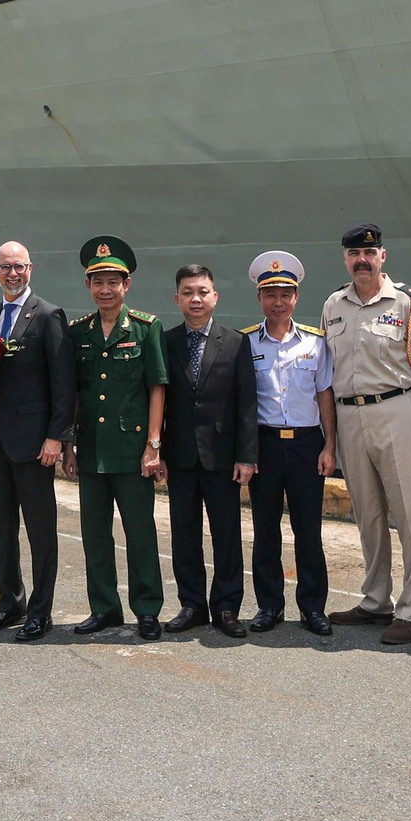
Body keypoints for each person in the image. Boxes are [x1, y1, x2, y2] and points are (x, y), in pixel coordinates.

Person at [322, 224, 411, 645]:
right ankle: (376, 600)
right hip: (349, 416)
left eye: (369, 253)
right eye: (354, 252)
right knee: (367, 513)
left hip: (396, 411)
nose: (362, 260)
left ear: (383, 257)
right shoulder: (333, 304)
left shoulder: (409, 302)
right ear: (345, 258)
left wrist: (399, 401)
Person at [0, 240, 77, 643]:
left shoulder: (48, 316)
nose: (12, 274)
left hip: (34, 444)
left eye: (19, 267)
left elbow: (63, 384)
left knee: (40, 529)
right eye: (5, 267)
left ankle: (40, 611)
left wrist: (56, 437)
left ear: (31, 269)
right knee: (1, 527)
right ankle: (9, 602)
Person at [66, 237, 169, 641]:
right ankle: (104, 608)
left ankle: (147, 609)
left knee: (140, 532)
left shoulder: (146, 328)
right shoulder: (78, 332)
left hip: (133, 450)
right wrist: (70, 444)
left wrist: (153, 445)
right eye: (98, 282)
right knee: (94, 535)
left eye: (113, 281)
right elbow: (74, 393)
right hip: (92, 449)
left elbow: (157, 387)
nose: (105, 289)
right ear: (88, 286)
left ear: (127, 285)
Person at [240, 251, 336, 636]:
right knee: (265, 529)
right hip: (263, 444)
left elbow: (325, 395)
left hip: (306, 443)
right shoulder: (246, 343)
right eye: (270, 294)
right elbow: (243, 404)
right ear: (260, 299)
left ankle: (313, 607)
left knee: (308, 529)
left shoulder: (316, 343)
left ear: (296, 297)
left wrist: (330, 447)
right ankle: (269, 606)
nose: (277, 302)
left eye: (285, 293)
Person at [160, 265, 257, 639]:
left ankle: (227, 606)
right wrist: (158, 451)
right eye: (188, 292)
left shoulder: (235, 342)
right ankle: (192, 605)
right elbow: (159, 400)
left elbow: (247, 403)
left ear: (215, 297)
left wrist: (247, 456)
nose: (195, 299)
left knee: (227, 533)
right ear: (177, 299)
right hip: (180, 455)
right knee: (184, 533)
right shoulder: (166, 342)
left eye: (202, 291)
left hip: (223, 456)